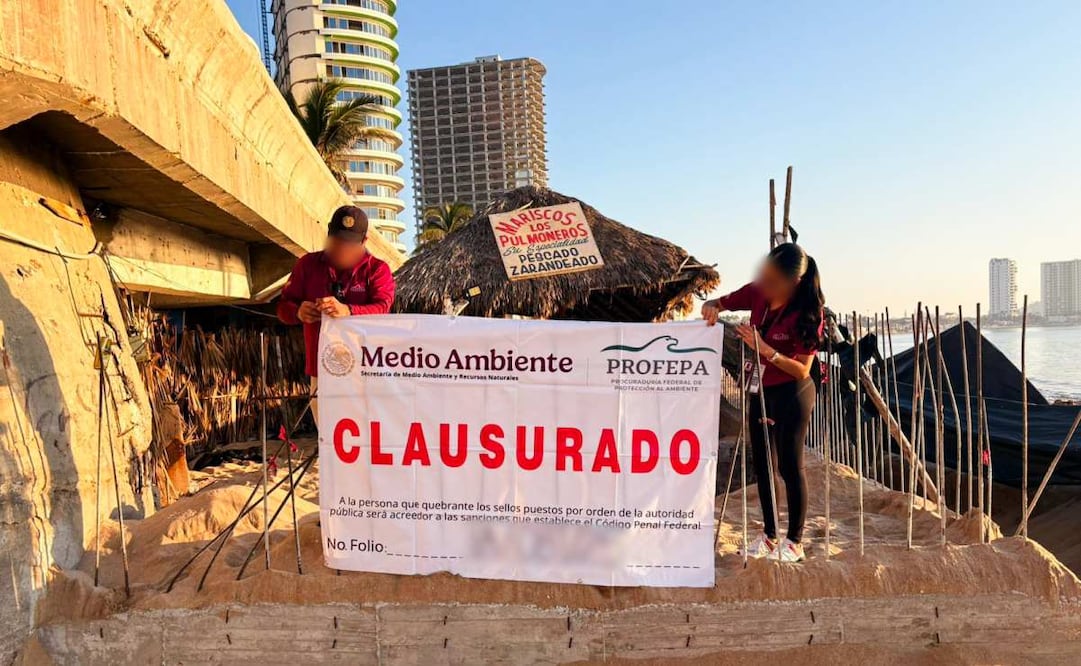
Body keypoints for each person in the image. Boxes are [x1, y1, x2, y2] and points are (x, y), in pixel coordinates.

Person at [702, 243, 824, 563]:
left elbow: (803, 369)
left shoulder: (809, 312)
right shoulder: (757, 293)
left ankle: (794, 542)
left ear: (793, 283)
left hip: (793, 392)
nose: (765, 285)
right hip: (760, 390)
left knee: (789, 465)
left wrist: (766, 350)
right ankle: (770, 537)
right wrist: (711, 307)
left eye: (773, 281)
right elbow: (720, 301)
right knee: (763, 465)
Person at [277, 206, 395, 418]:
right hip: (321, 370)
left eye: (349, 244)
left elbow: (383, 309)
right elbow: (282, 308)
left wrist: (348, 311)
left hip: (365, 370)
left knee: (367, 436)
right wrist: (298, 312)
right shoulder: (307, 265)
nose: (342, 249)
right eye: (337, 242)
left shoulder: (377, 269)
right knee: (326, 437)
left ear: (364, 241)